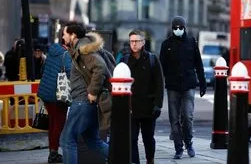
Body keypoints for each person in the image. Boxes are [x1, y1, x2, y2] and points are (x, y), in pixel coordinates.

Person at [60, 22, 109, 163]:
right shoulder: (80, 47)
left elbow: (100, 67)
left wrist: (92, 92)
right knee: (93, 141)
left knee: (67, 139)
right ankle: (123, 158)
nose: (63, 37)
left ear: (73, 34)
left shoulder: (83, 48)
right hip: (86, 103)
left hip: (82, 101)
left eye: (64, 33)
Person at [159, 16, 207, 159]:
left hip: (188, 85)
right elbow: (161, 68)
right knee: (174, 119)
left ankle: (189, 143)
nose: (178, 30)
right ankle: (178, 148)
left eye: (180, 27)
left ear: (184, 28)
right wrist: (160, 86)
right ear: (172, 29)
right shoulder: (166, 44)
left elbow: (198, 64)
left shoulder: (192, 42)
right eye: (175, 28)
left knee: (187, 116)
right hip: (173, 86)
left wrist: (203, 83)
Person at [121, 30, 164, 164]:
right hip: (131, 108)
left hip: (148, 107)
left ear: (143, 42)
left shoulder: (152, 59)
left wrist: (158, 105)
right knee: (132, 139)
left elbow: (159, 83)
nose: (134, 44)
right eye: (131, 41)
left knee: (148, 138)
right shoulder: (125, 60)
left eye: (137, 41)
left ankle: (150, 159)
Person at [37, 42, 71, 163]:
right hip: (58, 95)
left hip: (46, 92)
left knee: (52, 123)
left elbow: (43, 69)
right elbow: (69, 72)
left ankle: (52, 151)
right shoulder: (66, 55)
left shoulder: (51, 52)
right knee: (58, 124)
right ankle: (54, 153)